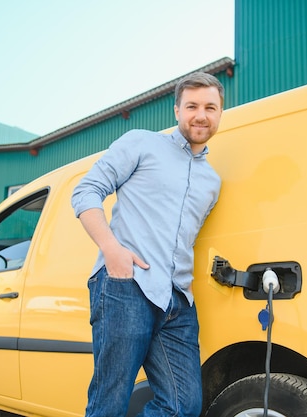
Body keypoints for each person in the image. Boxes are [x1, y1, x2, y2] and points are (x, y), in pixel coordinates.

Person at [71, 71, 224, 417]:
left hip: (178, 301)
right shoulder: (141, 143)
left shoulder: (211, 182)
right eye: (192, 106)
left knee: (184, 406)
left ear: (219, 113)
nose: (201, 115)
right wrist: (112, 251)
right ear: (177, 111)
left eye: (210, 107)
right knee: (108, 402)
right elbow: (86, 192)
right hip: (127, 287)